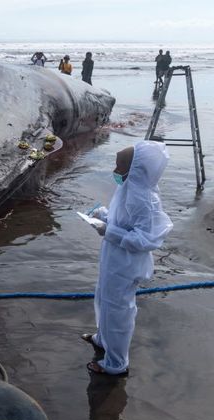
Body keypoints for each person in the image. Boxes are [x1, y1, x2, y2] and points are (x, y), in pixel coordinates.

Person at [81, 141, 173, 376]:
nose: (115, 170)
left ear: (138, 169)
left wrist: (109, 231)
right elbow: (124, 220)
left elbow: (146, 240)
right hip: (113, 258)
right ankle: (102, 339)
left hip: (126, 265)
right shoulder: (128, 187)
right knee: (103, 298)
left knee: (118, 310)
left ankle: (116, 363)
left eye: (120, 165)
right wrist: (105, 216)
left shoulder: (146, 200)